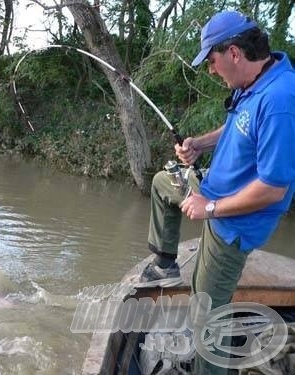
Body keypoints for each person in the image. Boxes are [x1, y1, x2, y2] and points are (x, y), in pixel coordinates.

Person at [138, 9, 295, 373]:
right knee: (164, 182)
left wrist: (210, 209)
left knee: (207, 322)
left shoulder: (280, 102)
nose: (210, 70)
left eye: (212, 60)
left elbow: (273, 189)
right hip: (211, 192)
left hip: (233, 223)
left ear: (235, 53)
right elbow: (238, 127)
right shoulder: (256, 83)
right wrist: (200, 145)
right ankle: (163, 264)